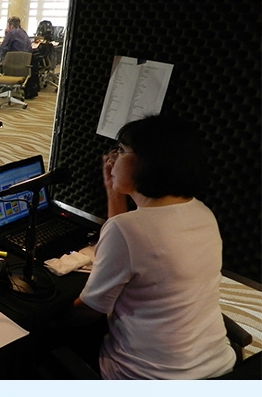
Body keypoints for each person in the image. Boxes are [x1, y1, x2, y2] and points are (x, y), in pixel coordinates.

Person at [72, 115, 236, 380]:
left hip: (146, 375)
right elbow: (129, 242)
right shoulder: (201, 211)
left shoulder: (127, 230)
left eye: (120, 151)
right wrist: (114, 193)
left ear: (148, 162)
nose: (111, 160)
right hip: (215, 366)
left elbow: (90, 309)